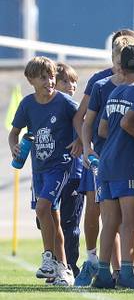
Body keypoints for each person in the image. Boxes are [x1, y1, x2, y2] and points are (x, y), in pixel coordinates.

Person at [72, 29, 134, 285]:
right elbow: (83, 118)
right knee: (100, 209)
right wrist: (85, 145)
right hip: (101, 157)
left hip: (124, 157)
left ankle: (116, 271)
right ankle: (95, 261)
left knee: (121, 214)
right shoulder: (100, 82)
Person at [9, 56, 81, 286]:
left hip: (59, 167)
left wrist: (81, 139)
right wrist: (14, 145)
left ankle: (48, 258)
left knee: (43, 207)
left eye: (51, 77)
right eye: (43, 77)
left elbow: (83, 119)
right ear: (30, 80)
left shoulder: (64, 102)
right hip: (38, 169)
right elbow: (14, 132)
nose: (49, 81)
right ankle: (64, 269)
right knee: (52, 218)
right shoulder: (27, 104)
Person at [93, 45, 134, 291]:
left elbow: (103, 129)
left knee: (109, 221)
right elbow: (128, 123)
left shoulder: (115, 90)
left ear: (122, 67)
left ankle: (103, 274)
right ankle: (127, 273)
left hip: (106, 161)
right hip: (125, 163)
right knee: (130, 219)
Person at [54, 62, 84, 277]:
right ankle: (55, 262)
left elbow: (86, 129)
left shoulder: (76, 108)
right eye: (65, 81)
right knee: (45, 219)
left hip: (74, 174)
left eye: (74, 81)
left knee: (70, 222)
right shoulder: (46, 109)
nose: (71, 85)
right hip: (51, 174)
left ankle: (70, 265)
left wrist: (82, 142)